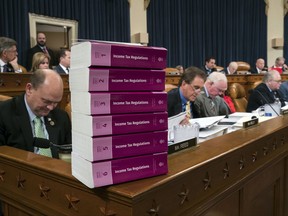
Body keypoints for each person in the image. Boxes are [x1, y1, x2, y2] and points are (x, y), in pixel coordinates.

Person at [0, 69, 71, 157]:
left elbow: (69, 153)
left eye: (56, 102)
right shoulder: (3, 113)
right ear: (29, 89)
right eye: (46, 101)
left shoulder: (62, 117)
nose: (51, 107)